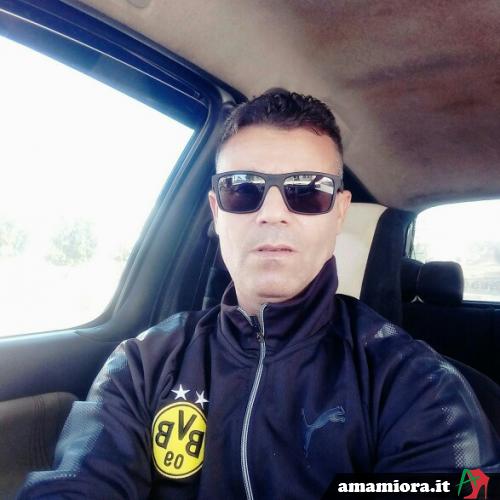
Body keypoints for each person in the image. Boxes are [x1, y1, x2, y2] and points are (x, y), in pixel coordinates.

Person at [18, 90, 499, 499]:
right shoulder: (143, 363)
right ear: (216, 212)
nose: (272, 212)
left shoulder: (414, 382)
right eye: (243, 189)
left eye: (306, 191)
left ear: (338, 212)